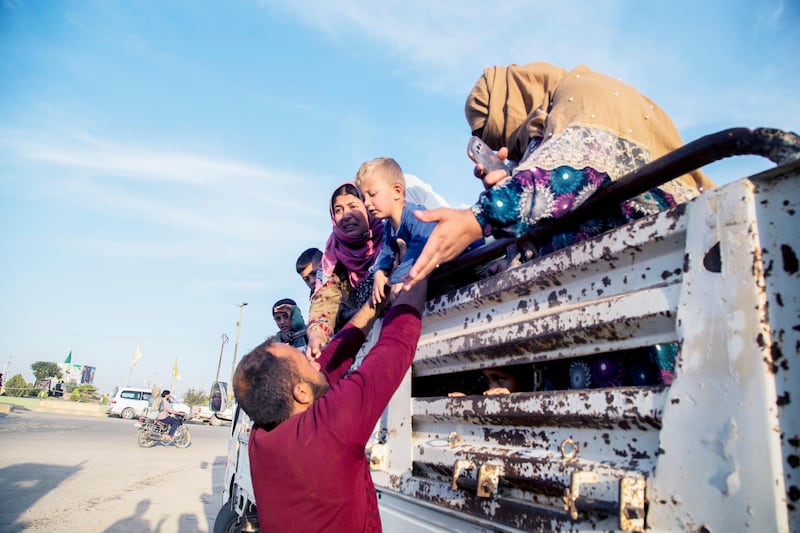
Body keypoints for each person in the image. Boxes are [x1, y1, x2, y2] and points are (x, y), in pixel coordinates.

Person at [403, 61, 716, 289]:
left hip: (656, 269)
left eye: (493, 132)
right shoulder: (551, 119)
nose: (500, 146)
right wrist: (513, 179)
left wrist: (480, 217)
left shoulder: (586, 94)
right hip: (627, 276)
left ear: (508, 103)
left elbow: (568, 175)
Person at [233, 273, 429, 532]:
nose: (315, 359)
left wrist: (375, 303)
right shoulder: (327, 428)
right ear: (301, 393)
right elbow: (395, 345)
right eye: (306, 360)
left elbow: (337, 353)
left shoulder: (261, 436)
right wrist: (420, 267)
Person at [305, 182, 384, 358]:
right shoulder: (333, 257)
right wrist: (317, 334)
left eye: (353, 206)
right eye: (338, 210)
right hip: (363, 341)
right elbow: (325, 299)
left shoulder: (391, 235)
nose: (345, 215)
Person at [355, 157, 436, 305]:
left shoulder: (415, 215)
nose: (366, 203)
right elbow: (387, 251)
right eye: (363, 197)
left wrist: (400, 276)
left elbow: (422, 243)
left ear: (397, 191)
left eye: (372, 194)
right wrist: (380, 272)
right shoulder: (389, 227)